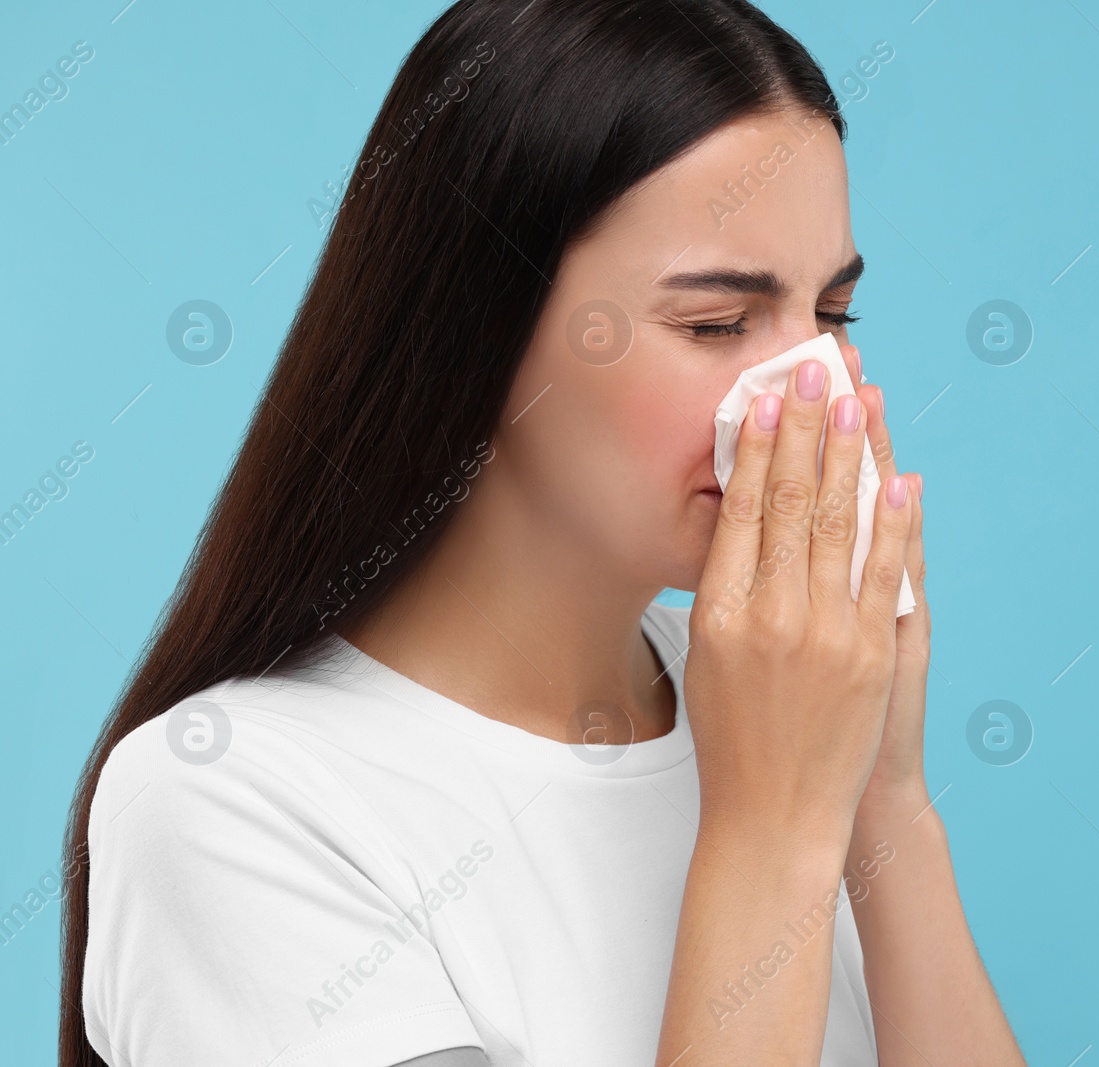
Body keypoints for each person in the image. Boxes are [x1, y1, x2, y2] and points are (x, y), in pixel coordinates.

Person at [58, 1, 1027, 1063]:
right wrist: (775, 833)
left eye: (834, 317)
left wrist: (882, 799)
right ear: (479, 333)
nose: (811, 392)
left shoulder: (770, 702)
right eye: (714, 323)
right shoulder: (232, 802)